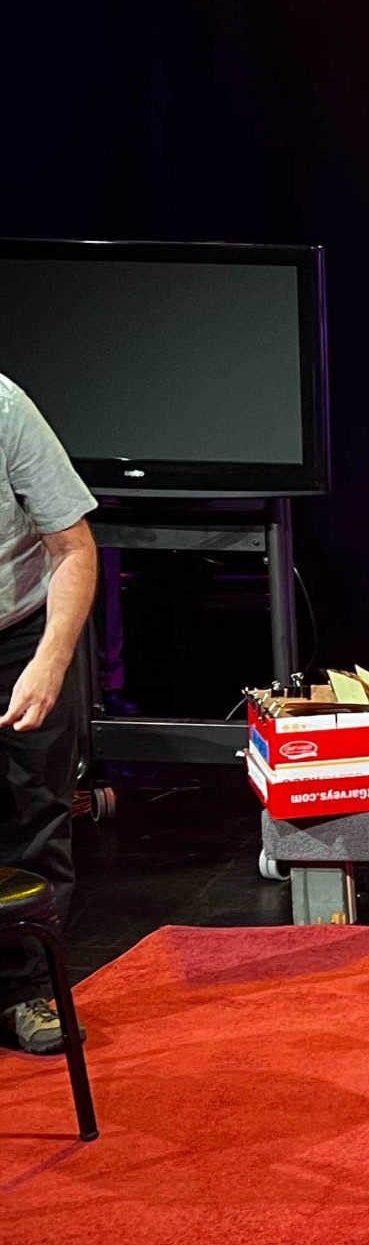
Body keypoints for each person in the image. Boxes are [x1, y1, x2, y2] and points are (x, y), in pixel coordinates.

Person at [0, 376, 99, 1054]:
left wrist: (50, 661)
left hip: (19, 633)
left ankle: (27, 991)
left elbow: (73, 547)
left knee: (34, 815)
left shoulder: (4, 407)